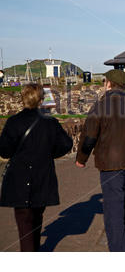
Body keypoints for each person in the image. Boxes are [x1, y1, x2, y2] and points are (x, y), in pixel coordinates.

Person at [75, 69, 125, 252]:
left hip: (110, 166)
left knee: (113, 209)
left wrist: (81, 159)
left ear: (109, 83)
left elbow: (90, 137)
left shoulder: (100, 106)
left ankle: (119, 251)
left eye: (104, 82)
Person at [0, 83, 73, 251]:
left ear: (23, 99)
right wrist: (49, 153)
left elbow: (4, 151)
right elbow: (66, 144)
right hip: (42, 177)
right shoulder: (50, 122)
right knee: (36, 219)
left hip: (19, 179)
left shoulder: (13, 122)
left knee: (24, 222)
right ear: (41, 100)